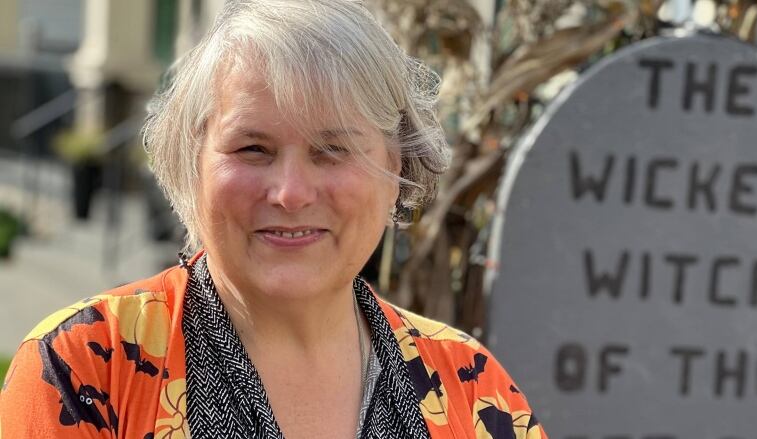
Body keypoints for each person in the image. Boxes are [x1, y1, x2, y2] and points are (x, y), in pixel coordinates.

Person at [0, 1, 548, 438]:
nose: (289, 193)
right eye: (253, 148)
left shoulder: (474, 388)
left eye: (332, 150)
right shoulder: (86, 368)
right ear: (192, 164)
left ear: (396, 166)